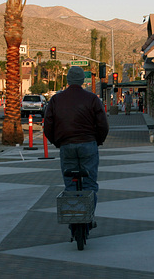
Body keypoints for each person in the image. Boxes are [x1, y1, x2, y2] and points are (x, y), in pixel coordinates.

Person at [43, 66, 109, 230]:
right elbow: (103, 125)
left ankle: (73, 219)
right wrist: (97, 141)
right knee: (89, 185)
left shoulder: (56, 100)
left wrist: (57, 142)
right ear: (82, 81)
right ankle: (88, 217)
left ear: (68, 80)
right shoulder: (92, 99)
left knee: (71, 185)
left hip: (67, 145)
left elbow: (48, 125)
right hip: (88, 144)